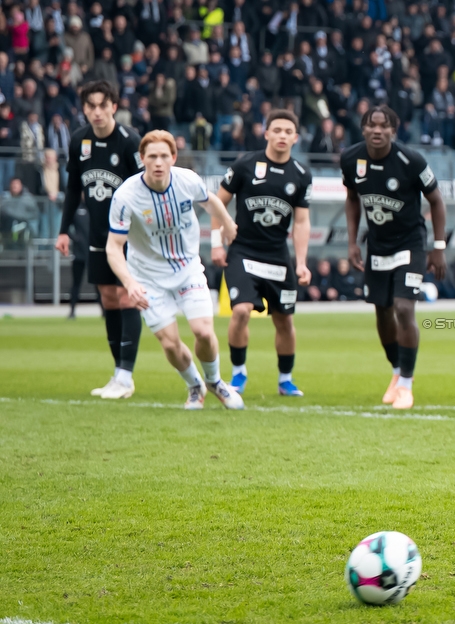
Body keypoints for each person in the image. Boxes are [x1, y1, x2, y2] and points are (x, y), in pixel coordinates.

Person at [105, 130, 244, 411]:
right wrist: (130, 283)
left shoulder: (187, 180)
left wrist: (228, 222)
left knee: (203, 332)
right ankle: (194, 386)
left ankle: (215, 381)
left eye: (164, 156)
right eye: (152, 156)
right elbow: (113, 247)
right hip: (147, 277)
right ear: (142, 158)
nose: (158, 162)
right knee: (170, 344)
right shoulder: (125, 196)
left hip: (187, 268)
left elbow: (211, 200)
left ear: (174, 158)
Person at [341, 105, 447, 410]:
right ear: (363, 129)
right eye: (371, 125)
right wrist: (351, 242)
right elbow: (351, 199)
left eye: (384, 125)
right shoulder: (350, 159)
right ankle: (396, 371)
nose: (377, 130)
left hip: (411, 244)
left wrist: (438, 247)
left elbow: (437, 201)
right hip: (377, 246)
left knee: (403, 307)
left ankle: (406, 384)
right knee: (382, 312)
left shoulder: (411, 160)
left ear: (393, 131)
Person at [55, 80, 146, 400]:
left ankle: (125, 374)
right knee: (108, 300)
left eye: (101, 105)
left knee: (126, 298)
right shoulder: (79, 140)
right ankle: (118, 375)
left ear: (113, 107)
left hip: (127, 235)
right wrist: (64, 229)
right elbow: (72, 189)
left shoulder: (129, 141)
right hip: (96, 234)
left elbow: (144, 187)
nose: (96, 111)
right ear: (84, 109)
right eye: (90, 106)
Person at [212, 109, 313, 397]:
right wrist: (216, 244)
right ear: (266, 133)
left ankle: (285, 379)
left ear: (295, 137)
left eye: (288, 131)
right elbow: (218, 204)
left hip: (278, 256)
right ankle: (239, 374)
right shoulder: (245, 165)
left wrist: (302, 263)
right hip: (243, 251)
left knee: (284, 320)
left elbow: (302, 221)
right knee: (241, 310)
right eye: (276, 130)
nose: (282, 135)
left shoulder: (302, 174)